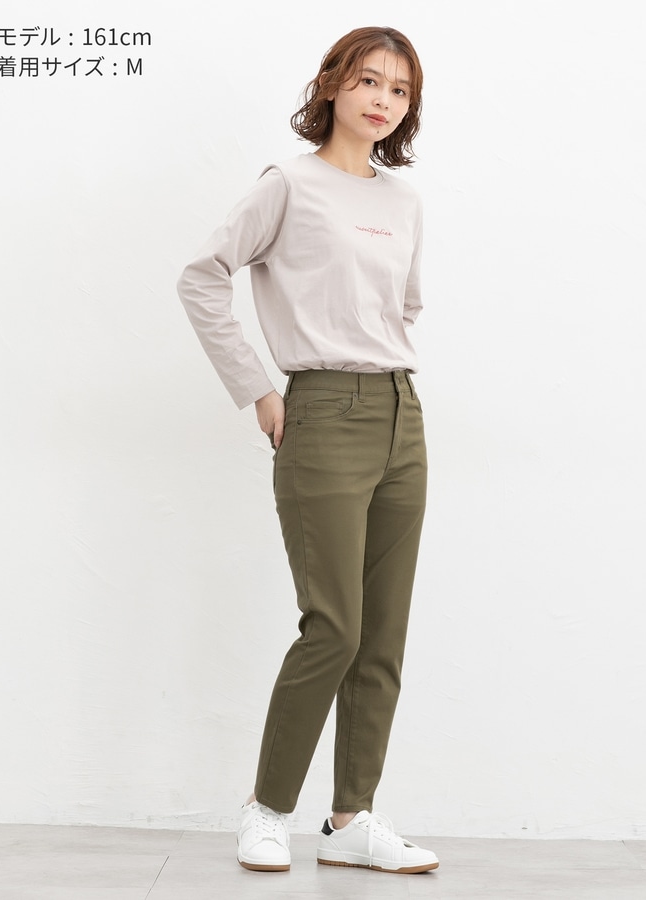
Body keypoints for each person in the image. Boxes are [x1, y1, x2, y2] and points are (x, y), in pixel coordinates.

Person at [177, 25, 438, 875]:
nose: (382, 99)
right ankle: (266, 810)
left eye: (399, 89)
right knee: (334, 626)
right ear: (331, 85)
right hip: (320, 411)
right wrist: (258, 387)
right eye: (368, 81)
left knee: (382, 634)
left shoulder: (404, 202)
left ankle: (352, 818)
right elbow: (202, 276)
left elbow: (403, 306)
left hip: (401, 412)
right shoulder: (287, 185)